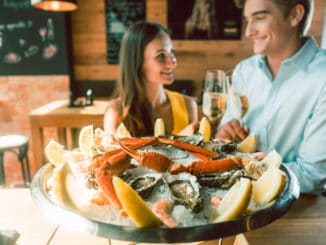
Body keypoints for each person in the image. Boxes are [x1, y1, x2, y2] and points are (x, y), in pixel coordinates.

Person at [217, 0, 326, 194]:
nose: (248, 32)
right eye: (247, 20)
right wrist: (225, 136)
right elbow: (224, 139)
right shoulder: (244, 70)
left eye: (259, 18)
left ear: (295, 16)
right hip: (237, 200)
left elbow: (312, 174)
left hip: (298, 209)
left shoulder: (322, 76)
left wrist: (244, 171)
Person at [104, 21, 198, 137]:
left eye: (171, 52)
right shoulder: (116, 111)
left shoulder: (188, 105)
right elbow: (113, 153)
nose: (173, 63)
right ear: (137, 62)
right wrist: (179, 141)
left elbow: (194, 154)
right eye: (160, 56)